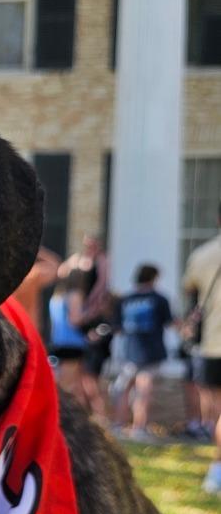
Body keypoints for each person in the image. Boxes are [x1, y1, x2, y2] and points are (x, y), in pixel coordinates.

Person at [182, 202, 221, 494]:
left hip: (213, 342)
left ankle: (217, 469)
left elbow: (190, 291)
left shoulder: (202, 255)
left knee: (217, 411)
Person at [114, 264, 172, 441]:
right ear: (154, 278)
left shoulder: (125, 299)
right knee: (144, 390)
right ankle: (139, 428)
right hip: (152, 351)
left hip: (130, 351)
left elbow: (117, 329)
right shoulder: (159, 299)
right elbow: (169, 322)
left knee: (124, 389)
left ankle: (118, 425)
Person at [60, 234, 113, 423]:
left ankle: (99, 416)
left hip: (89, 318)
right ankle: (84, 416)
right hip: (79, 323)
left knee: (89, 377)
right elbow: (62, 271)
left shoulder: (101, 261)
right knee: (81, 377)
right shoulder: (78, 261)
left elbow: (101, 286)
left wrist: (91, 307)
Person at [47, 271, 88, 397]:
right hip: (73, 343)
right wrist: (91, 313)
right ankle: (64, 414)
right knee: (67, 386)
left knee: (75, 383)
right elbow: (75, 319)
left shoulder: (56, 297)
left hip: (58, 341)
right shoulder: (75, 295)